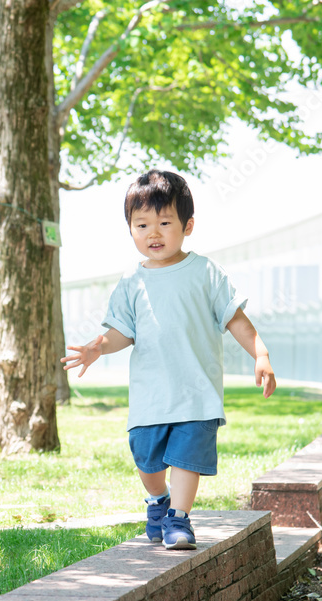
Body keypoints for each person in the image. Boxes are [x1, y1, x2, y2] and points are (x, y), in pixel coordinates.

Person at [61, 169, 276, 550]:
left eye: (164, 222)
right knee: (148, 461)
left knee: (187, 458)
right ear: (130, 229)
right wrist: (98, 347)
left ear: (188, 225)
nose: (153, 233)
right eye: (142, 224)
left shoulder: (206, 273)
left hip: (197, 393)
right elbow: (122, 332)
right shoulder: (131, 283)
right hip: (151, 396)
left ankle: (178, 519)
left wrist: (260, 353)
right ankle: (157, 502)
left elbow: (235, 320)